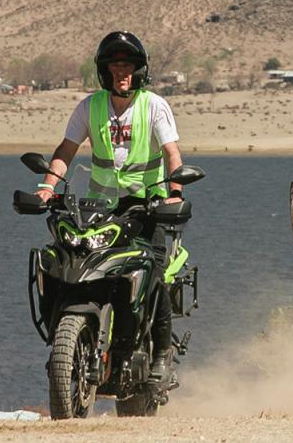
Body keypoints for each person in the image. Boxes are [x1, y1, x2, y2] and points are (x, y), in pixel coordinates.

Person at [33, 30, 185, 383]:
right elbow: (66, 150)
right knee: (68, 260)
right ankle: (68, 340)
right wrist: (47, 187)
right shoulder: (90, 107)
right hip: (99, 208)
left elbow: (172, 154)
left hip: (147, 206)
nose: (122, 73)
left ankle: (161, 354)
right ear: (105, 71)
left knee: (155, 273)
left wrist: (174, 193)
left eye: (128, 66)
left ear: (139, 70)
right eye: (115, 66)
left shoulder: (154, 106)